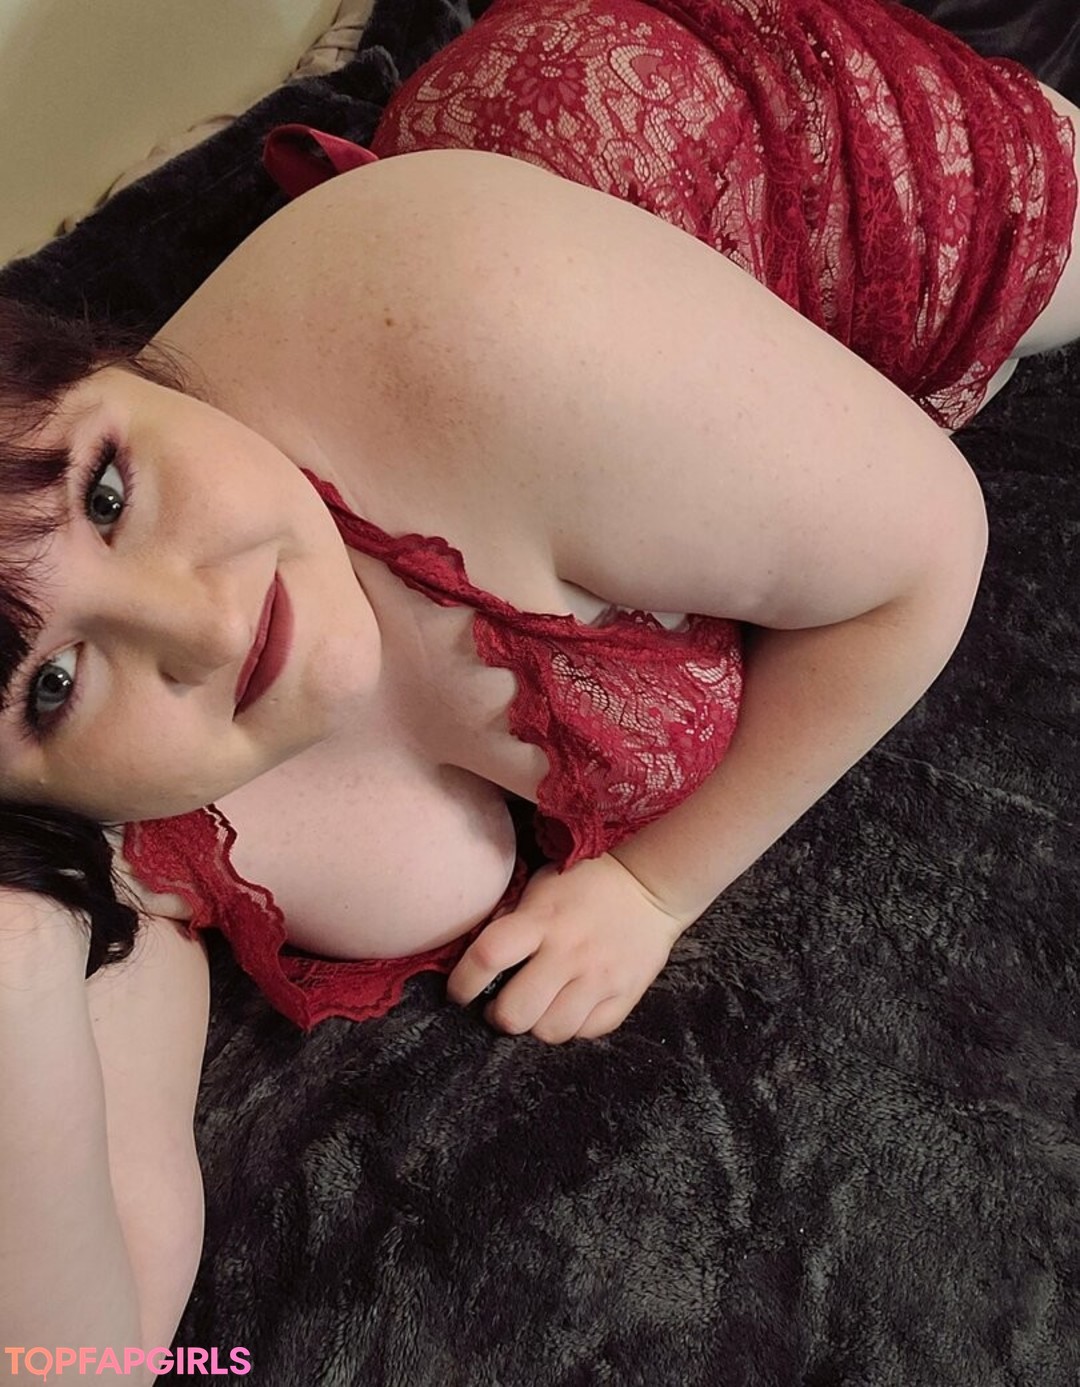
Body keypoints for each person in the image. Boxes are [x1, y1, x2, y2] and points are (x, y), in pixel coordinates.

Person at [1, 0, 1077, 1369]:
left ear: (105, 359)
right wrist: (19, 987)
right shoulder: (102, 816)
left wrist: (654, 889)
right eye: (51, 684)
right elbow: (86, 1356)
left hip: (723, 165)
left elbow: (924, 554)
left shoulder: (479, 328)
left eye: (107, 492)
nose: (202, 627)